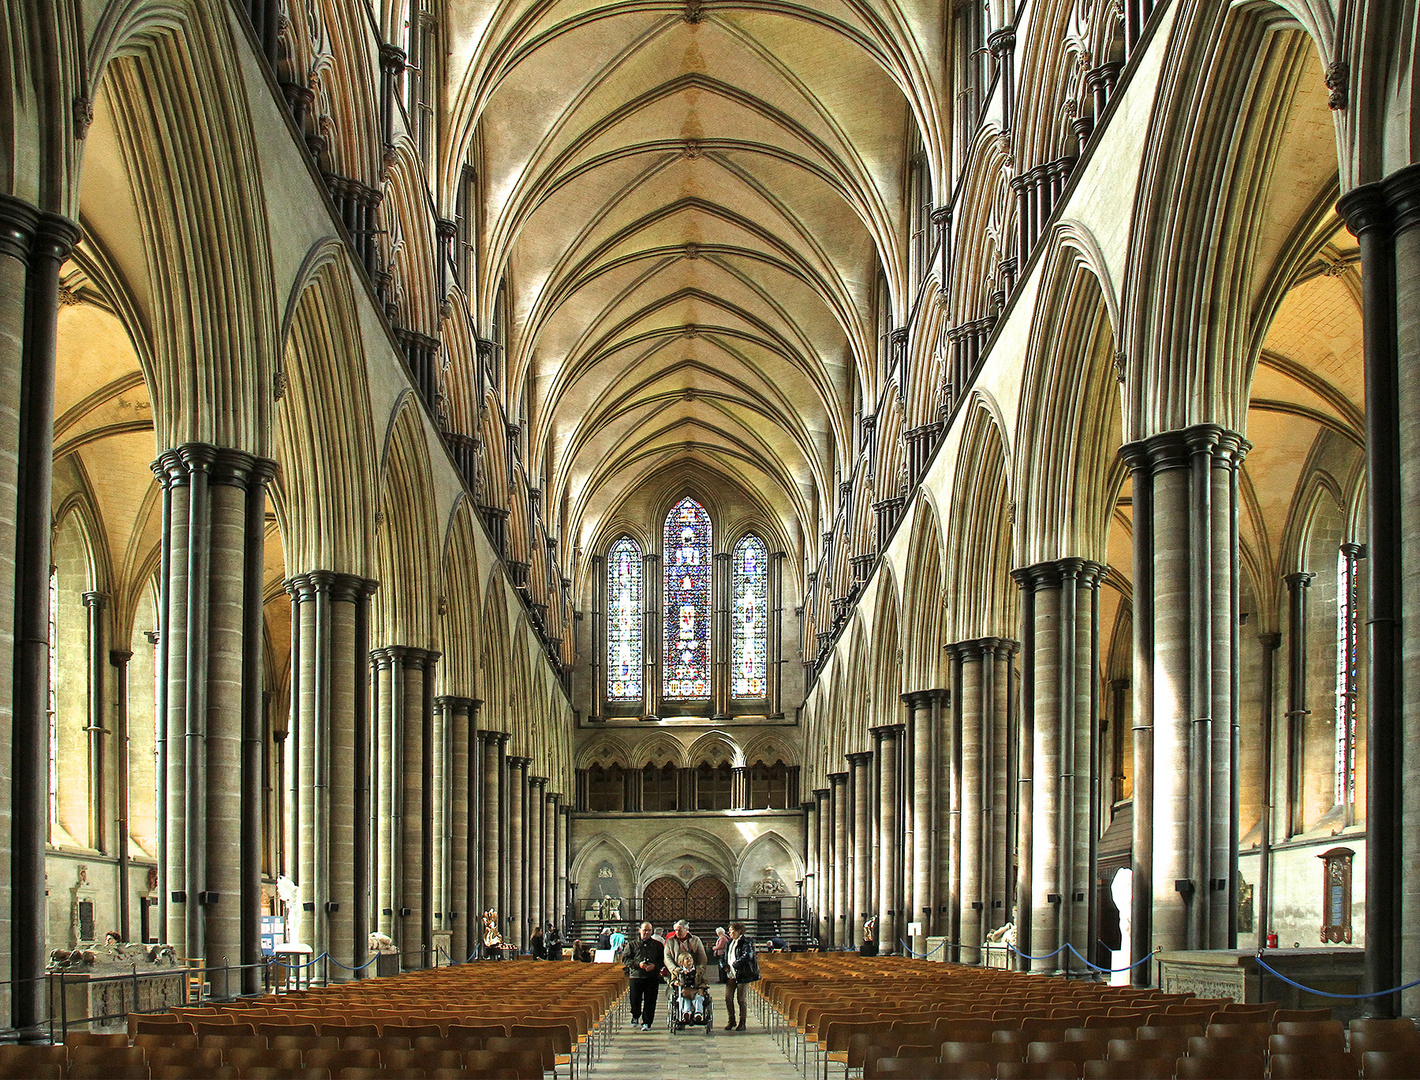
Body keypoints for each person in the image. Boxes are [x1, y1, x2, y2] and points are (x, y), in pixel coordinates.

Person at [621, 922, 665, 1031]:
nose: (647, 933)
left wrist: (655, 966)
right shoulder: (632, 945)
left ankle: (647, 1022)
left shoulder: (657, 945)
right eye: (645, 930)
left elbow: (662, 960)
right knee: (635, 999)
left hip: (652, 976)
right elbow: (625, 959)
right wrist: (637, 964)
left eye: (649, 930)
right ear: (640, 930)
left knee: (650, 1000)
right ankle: (635, 1015)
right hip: (636, 976)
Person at [664, 920, 709, 1023]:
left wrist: (700, 969)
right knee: (678, 995)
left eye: (679, 930)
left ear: (687, 930)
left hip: (694, 972)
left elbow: (702, 956)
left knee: (698, 995)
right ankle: (683, 1013)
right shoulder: (670, 942)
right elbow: (667, 958)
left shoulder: (695, 940)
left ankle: (698, 1013)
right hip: (678, 972)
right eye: (675, 930)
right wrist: (674, 970)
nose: (677, 932)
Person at [724, 921, 757, 1031]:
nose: (730, 933)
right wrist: (723, 964)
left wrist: (736, 963)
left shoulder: (746, 942)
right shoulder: (729, 942)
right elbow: (724, 956)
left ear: (738, 931)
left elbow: (748, 955)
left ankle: (742, 1022)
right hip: (731, 974)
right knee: (728, 997)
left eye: (732, 931)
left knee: (741, 999)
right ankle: (731, 1020)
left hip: (742, 973)